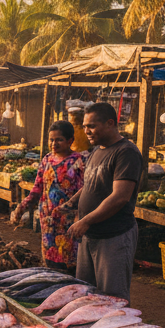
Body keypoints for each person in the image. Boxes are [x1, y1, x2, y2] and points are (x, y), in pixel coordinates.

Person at [66, 102, 142, 299]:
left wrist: (86, 220)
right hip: (90, 235)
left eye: (91, 126)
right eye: (84, 126)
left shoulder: (126, 152)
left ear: (110, 123)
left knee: (111, 298)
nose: (86, 131)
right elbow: (91, 184)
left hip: (113, 236)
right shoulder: (97, 151)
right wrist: (73, 202)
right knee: (85, 293)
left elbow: (120, 196)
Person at [10, 120, 85, 270]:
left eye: (59, 140)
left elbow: (86, 190)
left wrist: (78, 216)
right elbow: (37, 188)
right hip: (48, 220)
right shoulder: (47, 160)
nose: (54, 143)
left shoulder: (79, 161)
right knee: (50, 262)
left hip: (69, 222)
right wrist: (21, 207)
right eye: (51, 140)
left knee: (69, 263)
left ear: (70, 140)